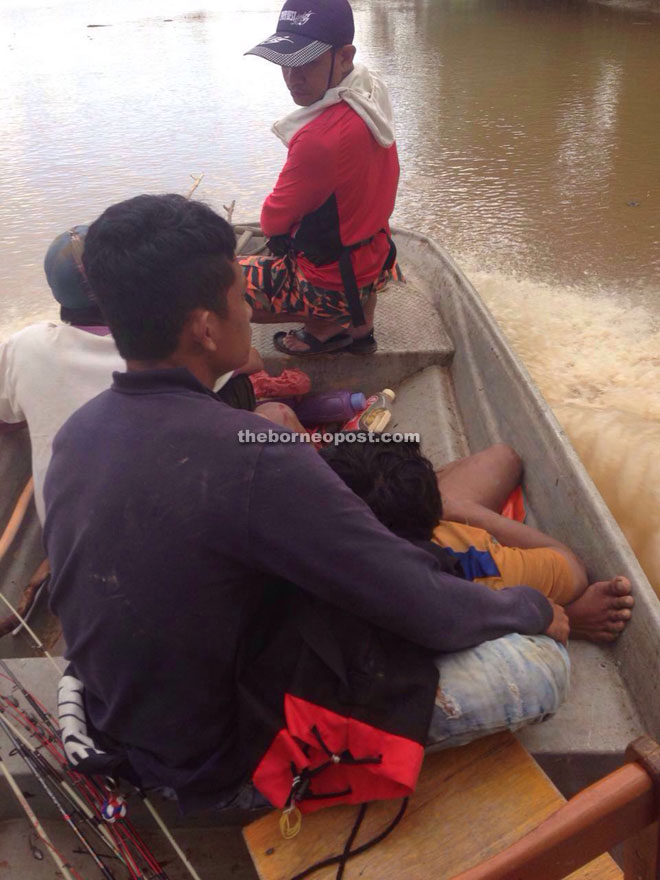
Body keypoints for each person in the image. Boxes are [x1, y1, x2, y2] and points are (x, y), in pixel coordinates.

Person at [45, 193, 569, 814]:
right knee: (541, 665)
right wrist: (531, 608)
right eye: (240, 294)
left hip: (121, 724)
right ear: (205, 327)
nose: (251, 307)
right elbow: (422, 606)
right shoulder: (252, 452)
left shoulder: (77, 433)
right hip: (217, 766)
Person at [321, 438, 634, 642]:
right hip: (445, 546)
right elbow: (573, 570)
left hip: (390, 533)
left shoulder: (306, 538)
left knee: (504, 457)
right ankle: (569, 619)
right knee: (504, 459)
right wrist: (470, 513)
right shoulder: (472, 562)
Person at [242, 0, 400, 355]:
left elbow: (273, 219)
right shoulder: (369, 89)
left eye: (307, 64)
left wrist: (280, 239)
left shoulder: (319, 139)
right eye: (285, 64)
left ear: (345, 56)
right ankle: (359, 326)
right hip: (374, 259)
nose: (292, 78)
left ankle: (323, 328)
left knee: (209, 284)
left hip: (333, 282)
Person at [0, 226, 125, 523]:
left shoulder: (26, 346)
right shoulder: (164, 345)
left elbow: (5, 419)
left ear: (57, 293)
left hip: (64, 544)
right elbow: (237, 364)